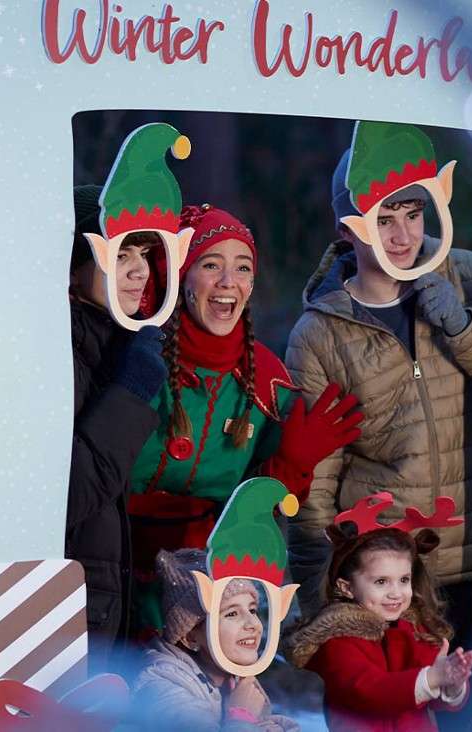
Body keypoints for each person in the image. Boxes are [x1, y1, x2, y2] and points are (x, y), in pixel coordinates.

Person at [0, 184, 169, 711]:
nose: (140, 273)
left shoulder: (100, 342)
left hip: (64, 627)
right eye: (119, 254)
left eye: (144, 255)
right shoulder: (46, 350)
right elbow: (61, 495)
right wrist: (131, 394)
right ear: (69, 267)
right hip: (32, 640)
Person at [285, 143, 472, 628]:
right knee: (390, 703)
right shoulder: (320, 333)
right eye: (385, 219)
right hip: (388, 579)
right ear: (348, 229)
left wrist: (463, 325)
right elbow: (316, 481)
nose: (403, 235)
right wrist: (324, 609)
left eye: (413, 213)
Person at [125, 203, 363, 638]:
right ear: (180, 275)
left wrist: (292, 465)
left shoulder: (269, 383)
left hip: (209, 598)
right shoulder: (137, 358)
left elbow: (260, 511)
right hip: (113, 572)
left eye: (242, 267)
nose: (228, 282)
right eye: (211, 264)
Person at [285, 519, 472, 731]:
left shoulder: (415, 630)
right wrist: (432, 677)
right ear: (347, 588)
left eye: (404, 580)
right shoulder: (338, 641)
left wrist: (452, 685)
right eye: (381, 582)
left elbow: (432, 699)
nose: (396, 593)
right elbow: (370, 691)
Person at [131, 549, 299, 732]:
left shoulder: (235, 679)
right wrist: (241, 717)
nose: (253, 624)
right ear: (189, 636)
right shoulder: (161, 685)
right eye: (232, 613)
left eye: (252, 610)